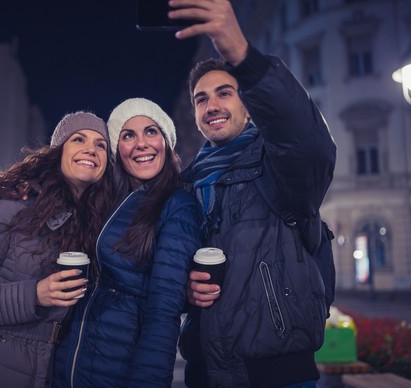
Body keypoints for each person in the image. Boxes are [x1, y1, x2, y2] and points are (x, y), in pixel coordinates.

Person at [168, 1, 337, 387]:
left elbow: (309, 144)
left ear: (247, 103)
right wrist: (186, 290)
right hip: (206, 373)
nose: (212, 105)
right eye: (201, 98)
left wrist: (242, 56)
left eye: (225, 93)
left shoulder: (279, 164)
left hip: (280, 374)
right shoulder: (188, 185)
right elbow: (167, 269)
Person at [0, 111, 113, 388]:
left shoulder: (98, 226)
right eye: (78, 139)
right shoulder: (10, 211)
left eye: (101, 144)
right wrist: (34, 294)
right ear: (58, 152)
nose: (90, 149)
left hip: (55, 369)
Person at [53, 98, 202, 387]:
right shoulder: (103, 198)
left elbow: (164, 311)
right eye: (128, 135)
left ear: (167, 143)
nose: (141, 143)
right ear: (117, 150)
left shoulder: (177, 206)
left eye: (151, 131)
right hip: (67, 365)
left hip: (119, 370)